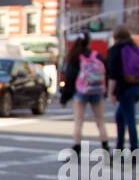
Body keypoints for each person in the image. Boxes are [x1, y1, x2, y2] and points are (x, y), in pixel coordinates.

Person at [59, 34, 109, 159]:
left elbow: (70, 78)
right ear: (89, 43)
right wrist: (105, 91)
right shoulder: (97, 56)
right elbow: (106, 73)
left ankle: (76, 150)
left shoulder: (75, 57)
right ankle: (106, 149)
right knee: (100, 122)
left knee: (78, 122)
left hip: (80, 92)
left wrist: (65, 97)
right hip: (97, 91)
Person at [104, 25, 139, 160]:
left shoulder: (115, 50)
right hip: (136, 86)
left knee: (129, 119)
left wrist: (110, 93)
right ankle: (120, 149)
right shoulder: (134, 48)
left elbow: (112, 75)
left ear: (115, 36)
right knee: (120, 117)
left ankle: (134, 151)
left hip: (124, 89)